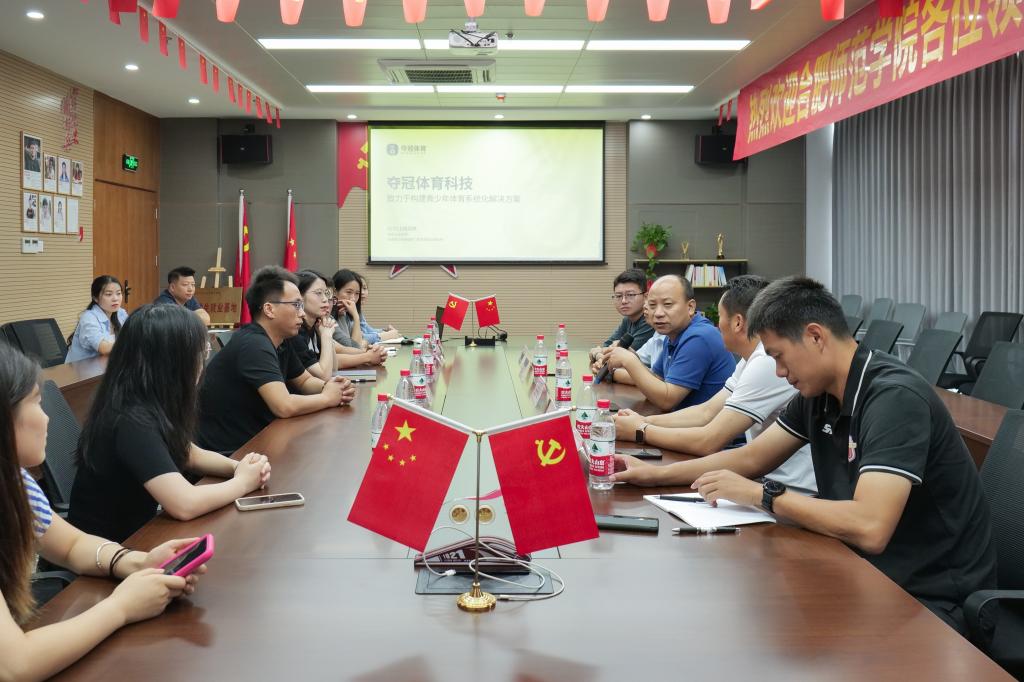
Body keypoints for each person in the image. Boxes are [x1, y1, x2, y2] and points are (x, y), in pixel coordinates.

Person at [616, 277, 996, 636]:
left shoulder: (893, 398)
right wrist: (653, 475)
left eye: (780, 356)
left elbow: (870, 526)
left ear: (815, 336)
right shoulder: (819, 393)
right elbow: (751, 459)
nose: (780, 372)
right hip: (867, 571)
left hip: (931, 599)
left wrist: (764, 494)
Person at [0, 343, 205, 680]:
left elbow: (71, 545)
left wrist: (138, 562)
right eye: (36, 402)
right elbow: (13, 666)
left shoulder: (13, 480)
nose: (47, 417)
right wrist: (121, 607)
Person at [69, 304, 271, 542]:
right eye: (200, 353)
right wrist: (243, 482)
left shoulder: (147, 400)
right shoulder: (130, 419)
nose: (202, 362)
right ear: (171, 361)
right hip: (117, 549)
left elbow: (187, 453)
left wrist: (238, 467)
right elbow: (184, 504)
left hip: (137, 536)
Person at [613, 275, 816, 495]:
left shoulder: (766, 362)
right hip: (765, 480)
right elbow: (707, 412)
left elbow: (709, 440)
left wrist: (641, 431)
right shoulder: (752, 358)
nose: (717, 325)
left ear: (737, 322)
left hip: (787, 489)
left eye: (719, 317)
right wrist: (642, 421)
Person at [196, 266, 357, 455]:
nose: (302, 313)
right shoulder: (253, 344)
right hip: (231, 453)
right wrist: (327, 397)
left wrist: (331, 387)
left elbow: (304, 381)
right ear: (269, 309)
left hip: (259, 441)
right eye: (296, 305)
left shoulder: (282, 339)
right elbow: (284, 406)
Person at [602, 275, 735, 411]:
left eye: (667, 304)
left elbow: (667, 400)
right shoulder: (673, 334)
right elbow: (658, 379)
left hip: (707, 423)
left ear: (690, 307)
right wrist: (631, 359)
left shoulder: (699, 337)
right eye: (652, 305)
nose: (658, 313)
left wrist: (629, 361)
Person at [589, 269, 655, 373]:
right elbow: (607, 345)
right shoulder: (627, 320)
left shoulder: (650, 322)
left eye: (630, 295)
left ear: (646, 297)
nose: (624, 301)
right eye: (619, 296)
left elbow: (618, 357)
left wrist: (597, 353)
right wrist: (603, 352)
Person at [288, 270, 339, 380]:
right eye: (318, 293)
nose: (325, 299)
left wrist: (325, 334)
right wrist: (326, 336)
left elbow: (334, 368)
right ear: (299, 296)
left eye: (326, 293)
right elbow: (324, 376)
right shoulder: (294, 332)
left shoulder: (316, 326)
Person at [331, 270, 387, 367]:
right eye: (349, 292)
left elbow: (357, 346)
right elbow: (355, 347)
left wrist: (367, 350)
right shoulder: (328, 318)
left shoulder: (344, 314)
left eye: (357, 293)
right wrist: (356, 317)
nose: (353, 298)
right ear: (335, 292)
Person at [66, 276, 128, 363]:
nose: (115, 298)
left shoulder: (121, 313)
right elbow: (104, 348)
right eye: (109, 294)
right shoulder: (89, 318)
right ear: (95, 298)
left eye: (118, 293)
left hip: (106, 365)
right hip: (82, 370)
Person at [356, 276, 401, 343]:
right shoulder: (346, 312)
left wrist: (385, 331)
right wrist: (388, 335)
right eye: (358, 290)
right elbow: (359, 339)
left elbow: (368, 330)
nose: (362, 292)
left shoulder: (358, 311)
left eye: (364, 288)